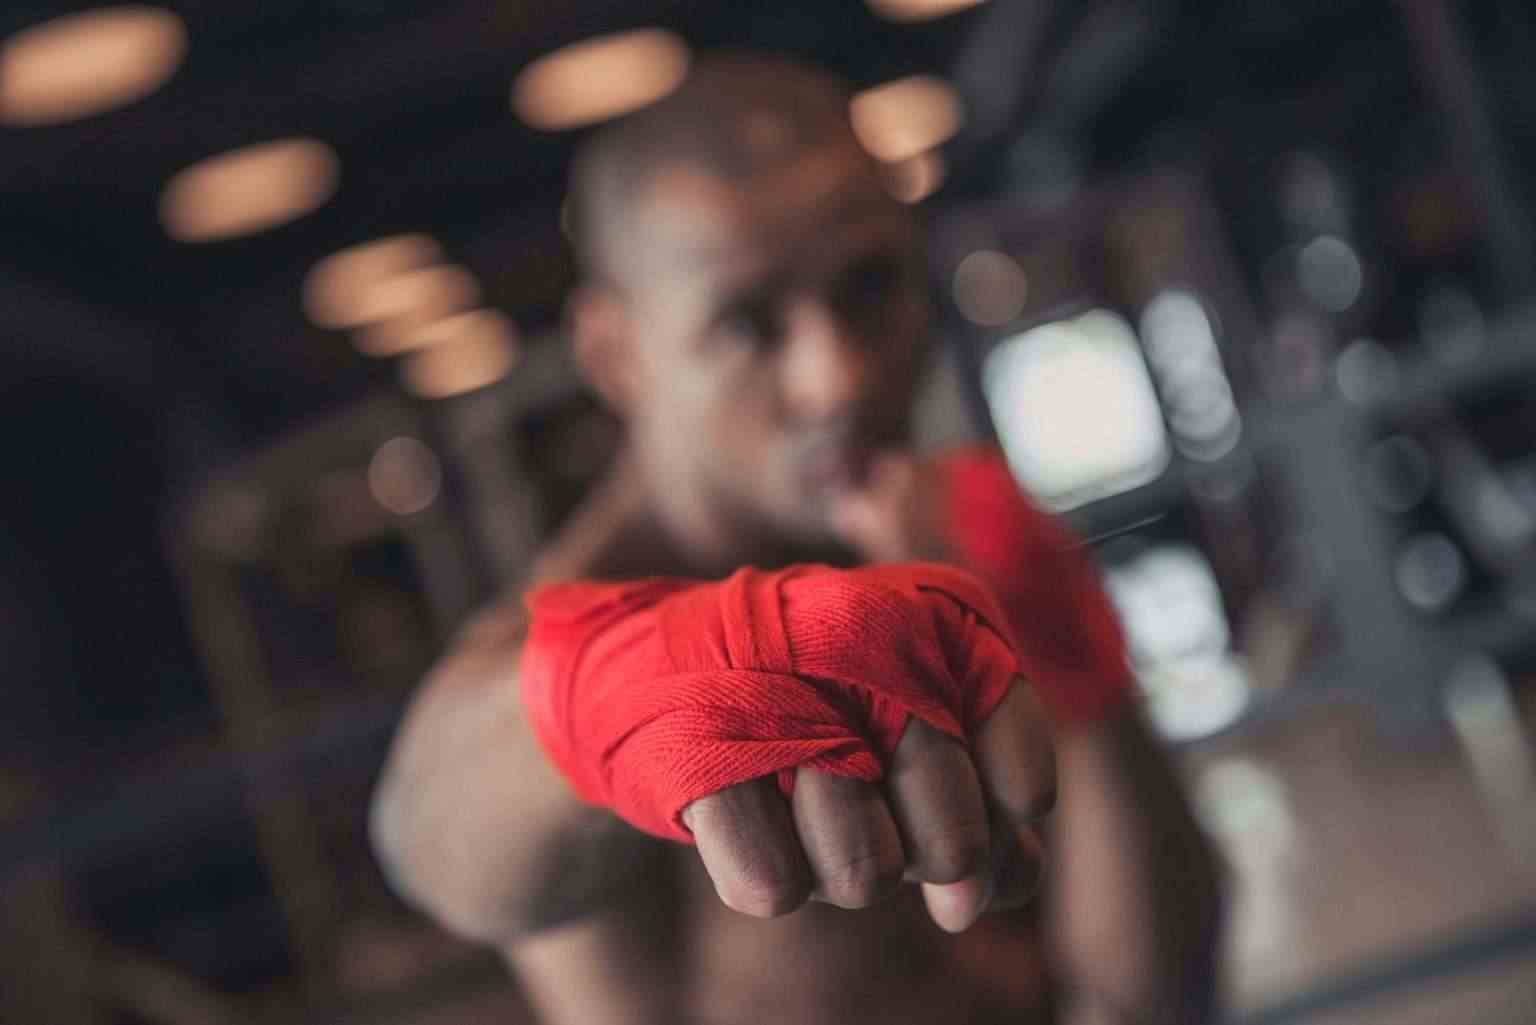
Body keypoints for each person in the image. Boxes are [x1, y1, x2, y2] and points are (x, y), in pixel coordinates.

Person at [370, 55, 1223, 1025]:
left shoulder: (942, 541)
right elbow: (433, 832)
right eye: (746, 324)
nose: (839, 378)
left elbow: (1152, 992)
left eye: (869, 284)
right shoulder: (589, 616)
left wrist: (1073, 662)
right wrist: (606, 689)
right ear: (617, 354)